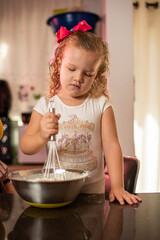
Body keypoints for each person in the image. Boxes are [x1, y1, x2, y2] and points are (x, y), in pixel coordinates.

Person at [20, 20, 142, 205]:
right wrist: (42, 135)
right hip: (56, 194)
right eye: (71, 69)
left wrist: (117, 186)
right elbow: (27, 147)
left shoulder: (101, 105)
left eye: (88, 73)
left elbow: (111, 147)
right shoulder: (46, 105)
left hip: (92, 196)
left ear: (97, 75)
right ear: (59, 64)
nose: (78, 78)